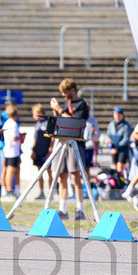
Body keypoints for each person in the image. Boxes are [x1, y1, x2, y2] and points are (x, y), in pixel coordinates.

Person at [48, 78, 90, 220]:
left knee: (75, 176)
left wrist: (60, 109)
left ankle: (79, 209)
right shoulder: (66, 104)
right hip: (62, 142)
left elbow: (74, 122)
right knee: (62, 176)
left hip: (75, 144)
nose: (63, 95)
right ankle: (63, 209)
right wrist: (55, 110)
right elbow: (59, 121)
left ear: (72, 90)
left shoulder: (82, 105)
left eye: (65, 92)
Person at [1, 102, 24, 199]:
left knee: (8, 171)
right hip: (12, 151)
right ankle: (9, 191)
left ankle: (8, 190)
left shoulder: (7, 123)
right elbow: (14, 138)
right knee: (10, 171)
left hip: (8, 150)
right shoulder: (14, 124)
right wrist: (21, 137)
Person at [30, 104, 51, 200]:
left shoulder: (48, 123)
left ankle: (51, 193)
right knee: (40, 173)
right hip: (38, 152)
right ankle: (41, 192)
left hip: (46, 152)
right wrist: (33, 150)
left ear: (40, 113)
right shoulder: (37, 125)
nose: (33, 116)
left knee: (49, 172)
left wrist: (50, 150)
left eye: (34, 114)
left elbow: (52, 139)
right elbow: (35, 139)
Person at [106, 107, 132, 179]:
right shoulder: (111, 124)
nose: (117, 116)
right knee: (115, 168)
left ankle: (121, 182)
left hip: (122, 149)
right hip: (113, 149)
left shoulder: (126, 125)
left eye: (119, 114)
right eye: (115, 114)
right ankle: (117, 182)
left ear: (122, 115)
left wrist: (117, 147)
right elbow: (108, 136)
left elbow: (126, 139)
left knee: (120, 168)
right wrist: (109, 143)